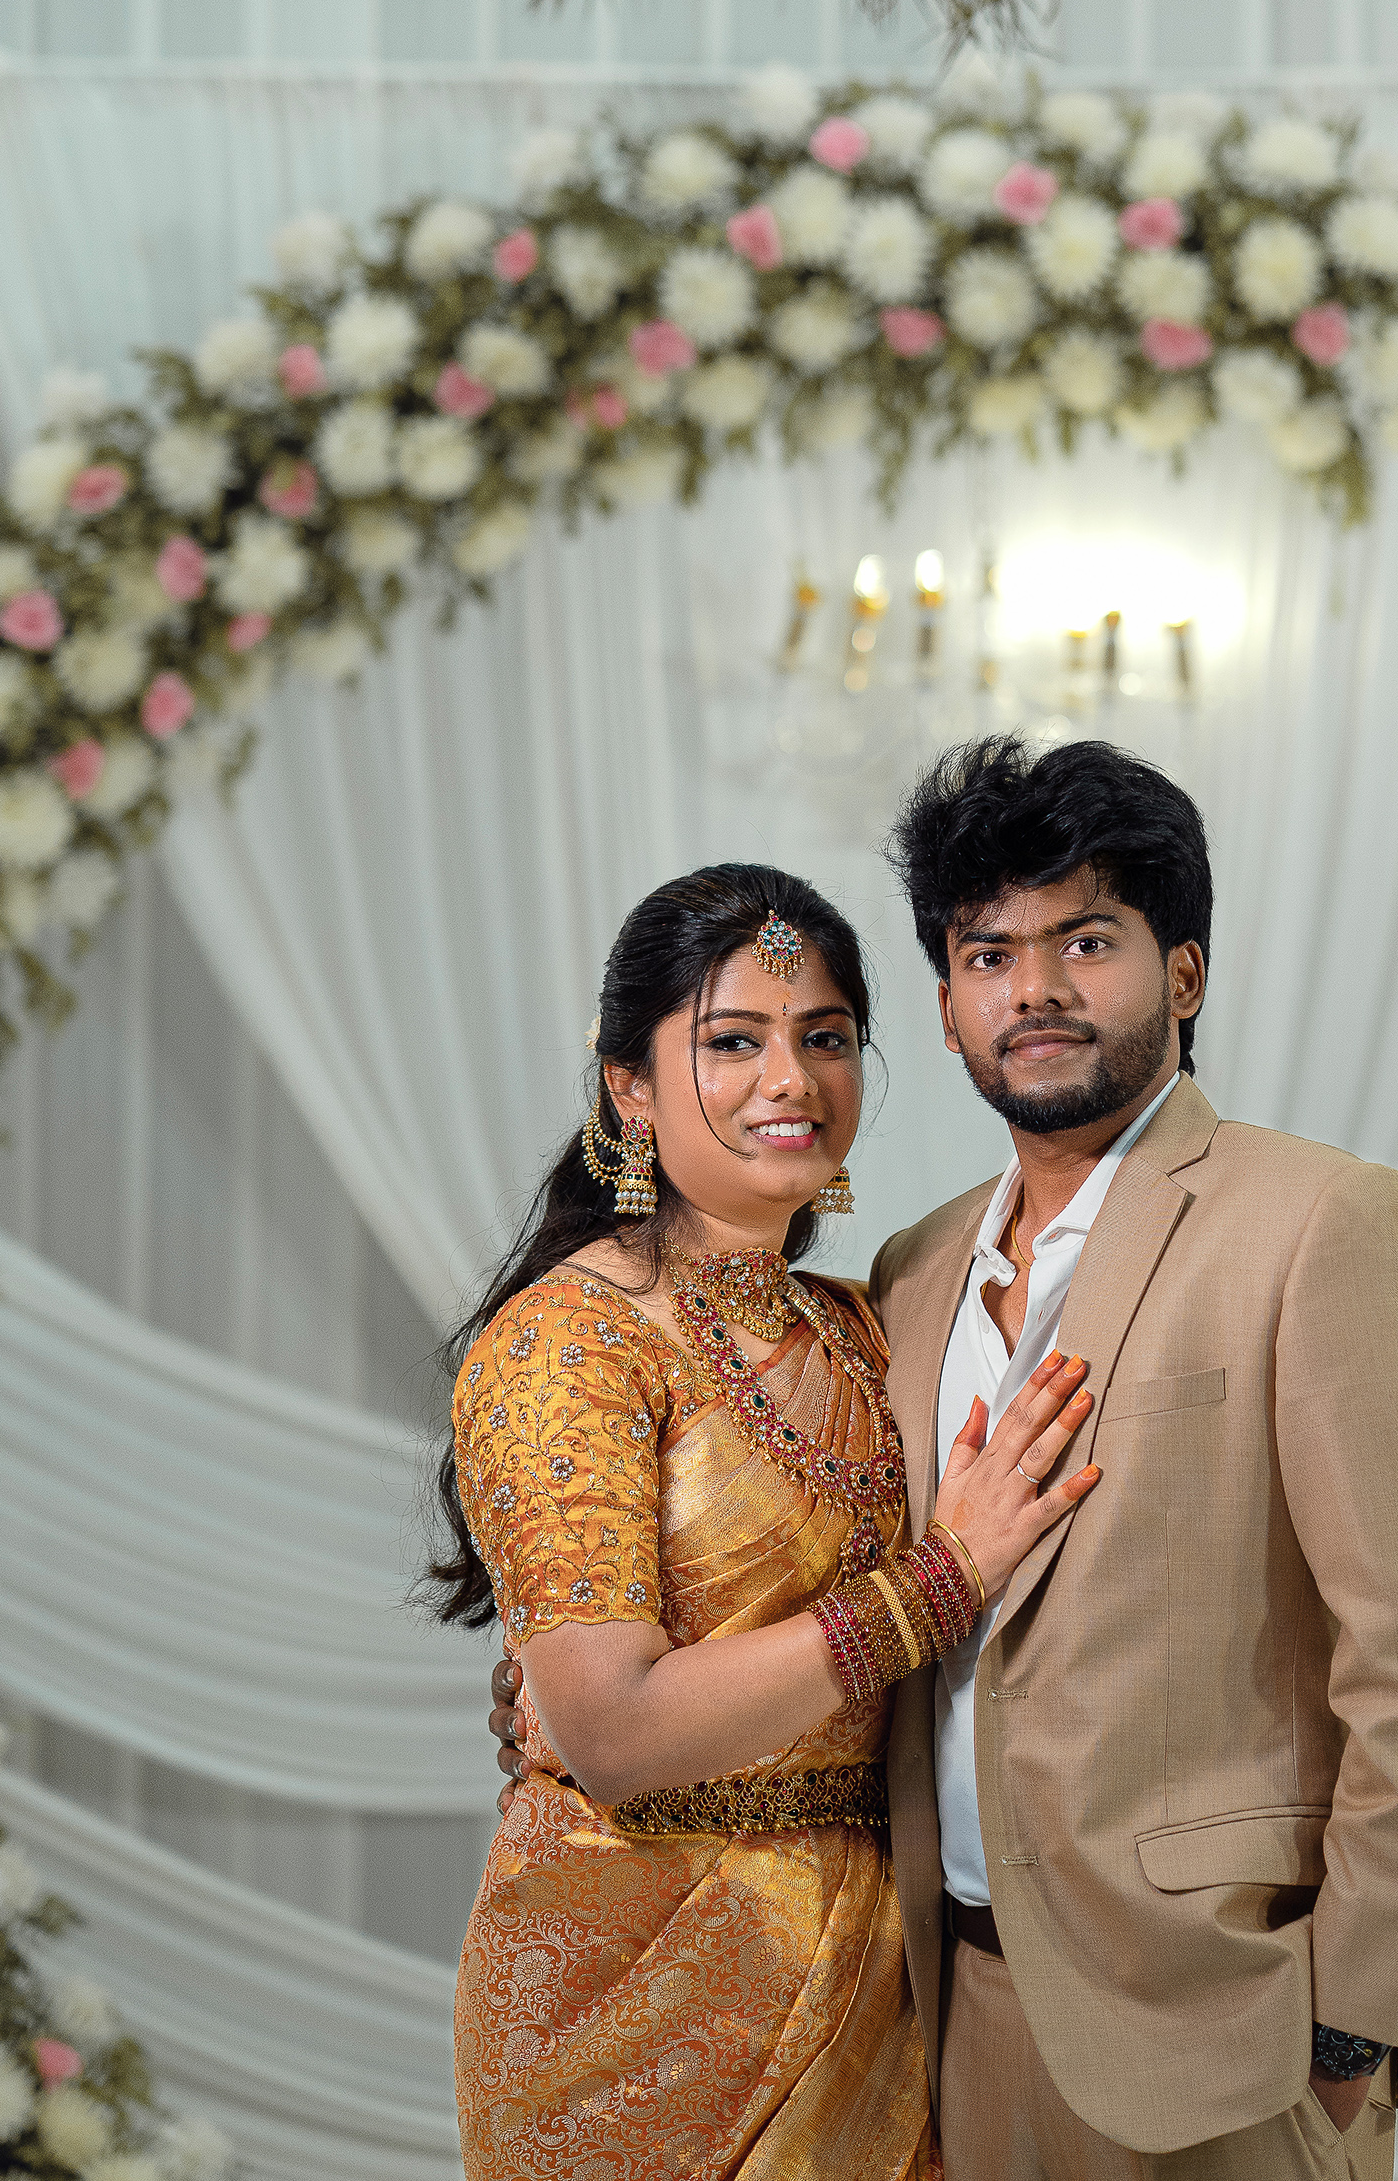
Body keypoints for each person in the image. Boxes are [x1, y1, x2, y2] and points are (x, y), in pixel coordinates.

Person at [492, 746, 1398, 2180]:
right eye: (989, 954)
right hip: (935, 2021)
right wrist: (576, 1692)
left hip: (1222, 2027)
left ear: (1184, 973)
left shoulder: (1320, 1226)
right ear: (946, 1006)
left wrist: (1355, 2017)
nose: (1033, 989)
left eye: (1085, 941)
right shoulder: (907, 1280)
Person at [430, 863, 1098, 2179]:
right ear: (630, 1087)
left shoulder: (869, 1323)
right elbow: (614, 1733)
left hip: (881, 1977)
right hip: (630, 2002)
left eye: (825, 1037)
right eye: (732, 1040)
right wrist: (940, 1581)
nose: (790, 1079)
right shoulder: (568, 1342)